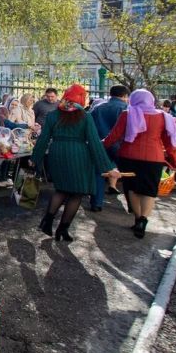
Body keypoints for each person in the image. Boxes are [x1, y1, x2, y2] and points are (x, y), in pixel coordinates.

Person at [32, 84, 121, 242]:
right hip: (78, 155)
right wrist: (108, 167)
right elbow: (94, 142)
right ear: (81, 97)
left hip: (57, 153)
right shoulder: (84, 116)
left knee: (60, 189)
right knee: (76, 193)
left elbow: (43, 139)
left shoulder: (53, 115)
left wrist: (35, 158)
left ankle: (47, 221)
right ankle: (62, 229)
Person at [103, 90, 176, 237]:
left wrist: (99, 147)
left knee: (132, 188)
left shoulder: (127, 114)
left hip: (129, 156)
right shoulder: (163, 117)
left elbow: (114, 136)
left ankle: (137, 217)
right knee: (150, 189)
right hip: (154, 158)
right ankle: (144, 219)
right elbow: (169, 143)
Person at [90, 85, 130, 212]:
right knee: (126, 173)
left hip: (99, 144)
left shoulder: (98, 108)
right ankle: (133, 205)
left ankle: (96, 202)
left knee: (98, 173)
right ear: (124, 96)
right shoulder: (126, 108)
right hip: (119, 145)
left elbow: (90, 125)